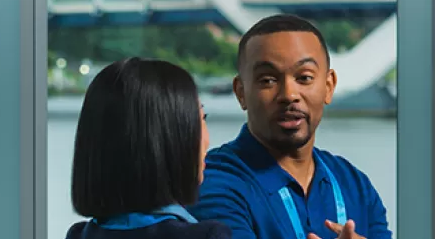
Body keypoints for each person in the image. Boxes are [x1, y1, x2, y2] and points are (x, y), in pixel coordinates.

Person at [189, 14, 390, 239]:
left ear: (328, 86)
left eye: (304, 78)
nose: (288, 94)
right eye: (268, 80)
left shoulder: (355, 185)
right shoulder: (214, 183)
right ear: (241, 92)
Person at [67, 57, 228, 239]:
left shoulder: (78, 235)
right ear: (168, 139)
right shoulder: (206, 236)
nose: (207, 140)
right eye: (201, 118)